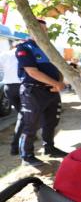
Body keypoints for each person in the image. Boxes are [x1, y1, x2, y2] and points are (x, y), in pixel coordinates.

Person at [15, 19, 67, 166]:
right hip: (33, 91)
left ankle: (49, 148)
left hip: (52, 91)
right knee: (30, 124)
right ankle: (27, 155)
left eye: (45, 30)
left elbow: (59, 68)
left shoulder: (49, 48)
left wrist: (59, 83)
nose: (44, 32)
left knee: (51, 122)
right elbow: (32, 72)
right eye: (40, 29)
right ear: (31, 30)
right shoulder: (24, 48)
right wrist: (57, 83)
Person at [0, 44, 23, 155]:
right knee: (23, 115)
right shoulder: (24, 53)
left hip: (8, 87)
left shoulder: (4, 54)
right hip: (21, 86)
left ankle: (28, 136)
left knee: (22, 114)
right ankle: (15, 146)